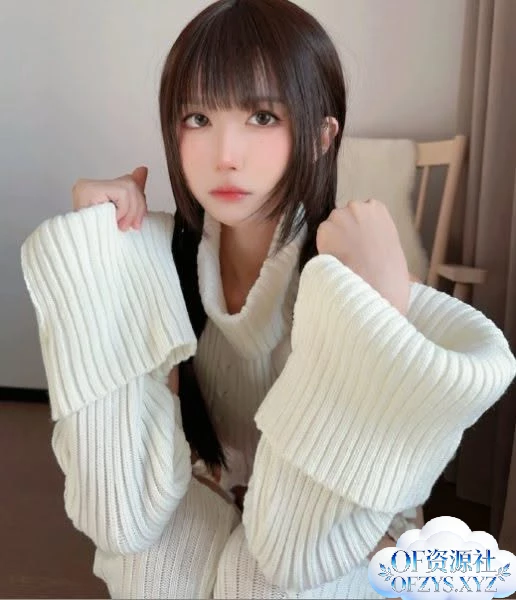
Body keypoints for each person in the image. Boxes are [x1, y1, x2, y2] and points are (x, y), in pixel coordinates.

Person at [21, 1, 516, 598]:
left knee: (266, 584)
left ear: (322, 137)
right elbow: (120, 516)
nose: (225, 153)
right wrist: (104, 257)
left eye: (262, 116)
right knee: (145, 566)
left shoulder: (349, 276)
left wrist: (381, 307)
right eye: (198, 117)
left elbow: (301, 547)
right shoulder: (169, 262)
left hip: (339, 526)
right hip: (221, 489)